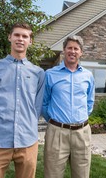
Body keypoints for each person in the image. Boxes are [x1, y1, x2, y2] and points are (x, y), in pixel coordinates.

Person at [0, 22, 45, 178]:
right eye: (17, 35)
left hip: (27, 141)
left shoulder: (38, 73)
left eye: (25, 36)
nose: (20, 39)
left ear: (31, 41)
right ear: (9, 37)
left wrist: (28, 124)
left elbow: (36, 107)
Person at [42, 35, 95, 178]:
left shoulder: (88, 76)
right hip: (57, 132)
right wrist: (54, 121)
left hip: (82, 133)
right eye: (69, 48)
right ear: (64, 50)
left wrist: (80, 118)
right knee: (52, 174)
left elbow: (89, 103)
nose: (73, 51)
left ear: (81, 52)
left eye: (76, 49)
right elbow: (44, 103)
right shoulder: (50, 74)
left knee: (82, 175)